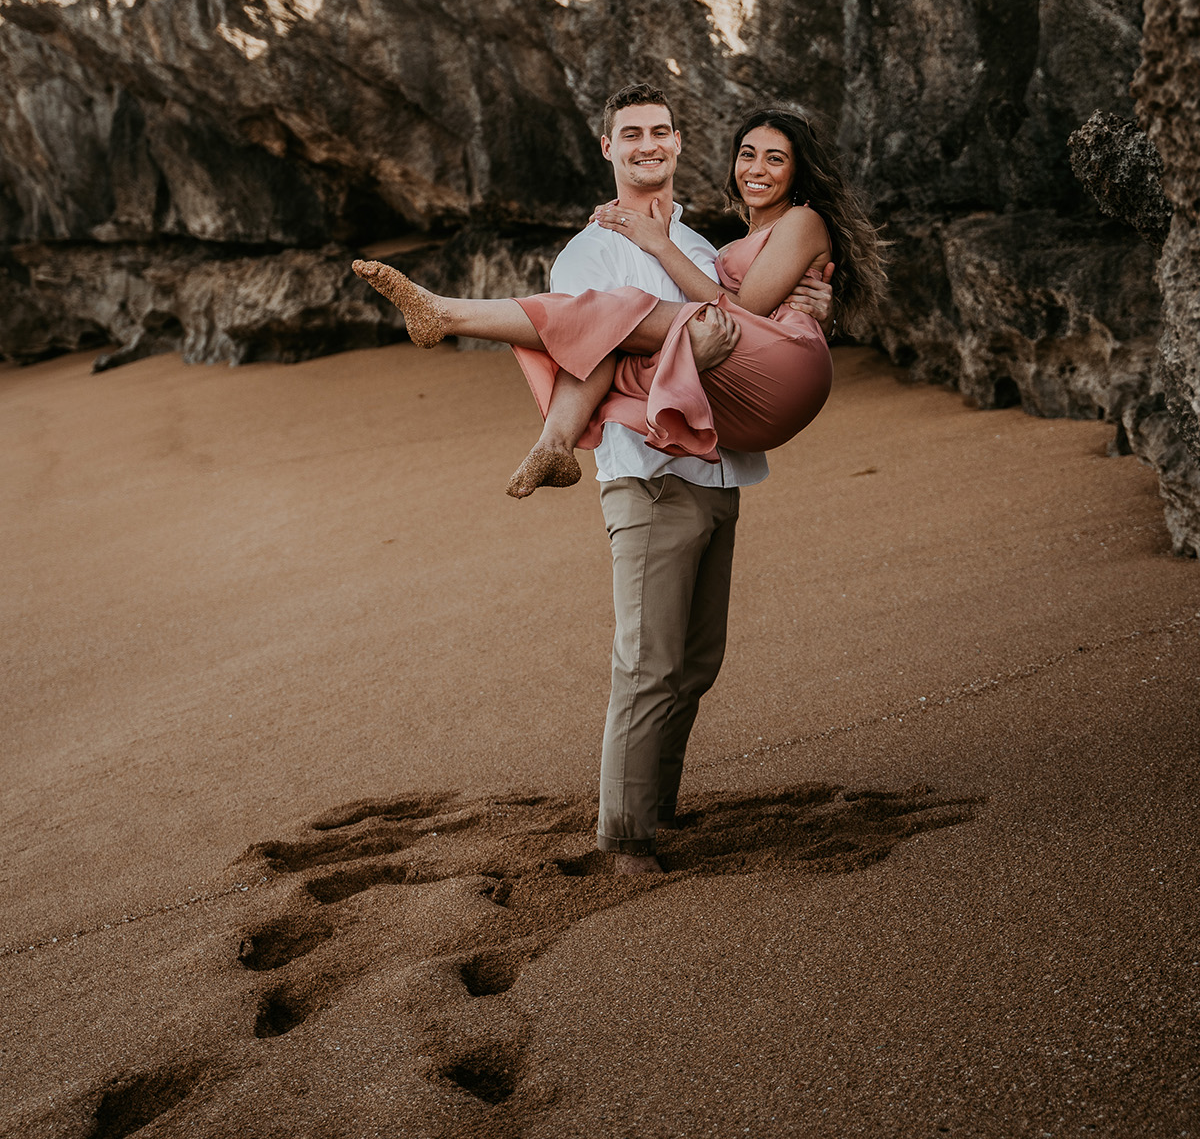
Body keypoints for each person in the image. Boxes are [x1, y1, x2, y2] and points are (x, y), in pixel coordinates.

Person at [354, 85, 884, 873]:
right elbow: (585, 346)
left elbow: (757, 307)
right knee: (648, 662)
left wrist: (813, 297)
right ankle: (625, 840)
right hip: (648, 475)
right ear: (607, 148)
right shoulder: (592, 249)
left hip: (715, 468)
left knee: (695, 662)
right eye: (630, 133)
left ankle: (656, 805)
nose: (647, 143)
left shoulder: (703, 244)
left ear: (677, 144)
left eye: (660, 131)